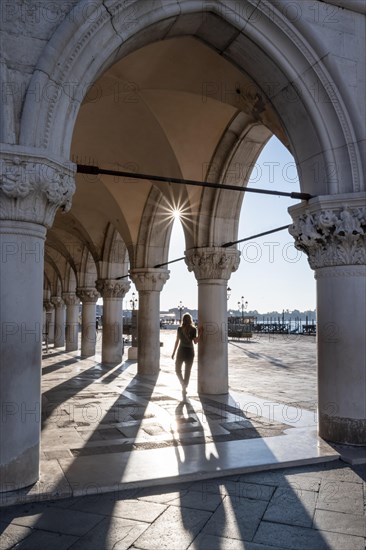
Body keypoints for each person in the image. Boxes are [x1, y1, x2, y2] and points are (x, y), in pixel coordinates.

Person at [171, 313, 202, 397]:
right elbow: (195, 342)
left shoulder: (179, 329)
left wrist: (173, 352)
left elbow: (177, 341)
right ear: (190, 320)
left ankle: (183, 385)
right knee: (187, 371)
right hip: (190, 352)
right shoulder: (193, 329)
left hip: (181, 351)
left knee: (177, 370)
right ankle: (185, 386)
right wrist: (201, 333)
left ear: (183, 320)